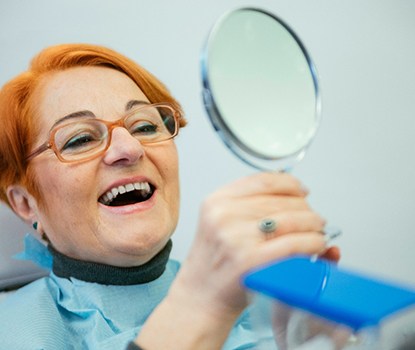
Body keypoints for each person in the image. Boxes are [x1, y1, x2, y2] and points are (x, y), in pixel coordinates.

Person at [0, 43, 339, 349]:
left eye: (146, 126)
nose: (129, 148)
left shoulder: (258, 303)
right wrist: (201, 305)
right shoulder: (13, 330)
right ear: (26, 203)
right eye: (80, 139)